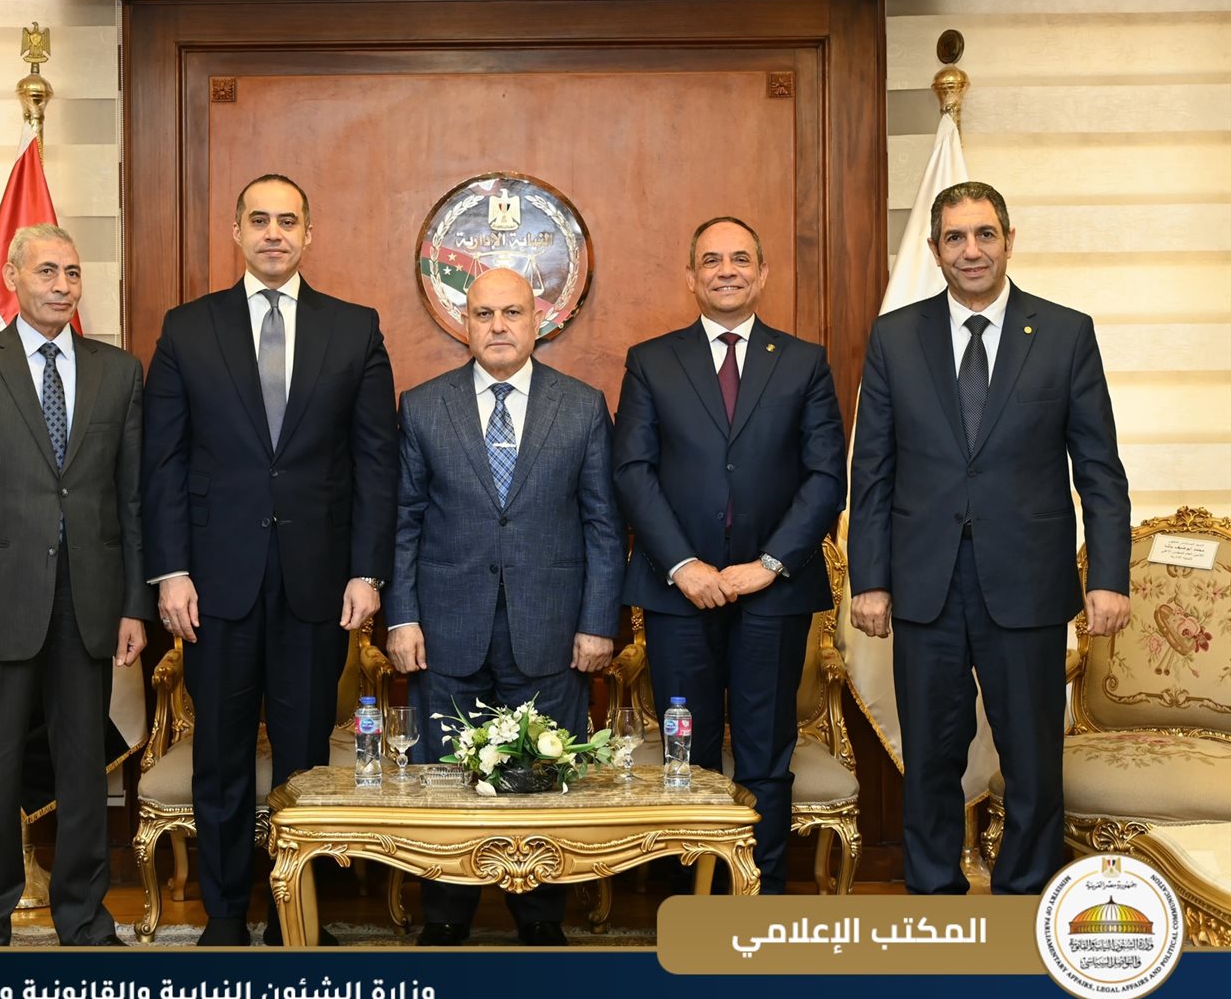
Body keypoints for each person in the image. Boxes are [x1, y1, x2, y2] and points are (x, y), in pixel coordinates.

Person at [848, 181, 1130, 895]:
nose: (970, 250)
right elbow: (872, 469)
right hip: (925, 584)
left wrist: (1108, 576)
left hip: (1028, 582)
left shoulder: (1064, 333)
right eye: (954, 237)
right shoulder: (895, 336)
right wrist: (870, 578)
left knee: (1032, 761)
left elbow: (1099, 469)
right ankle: (935, 902)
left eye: (984, 234)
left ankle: (1026, 900)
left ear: (1008, 240)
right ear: (935, 249)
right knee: (930, 760)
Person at [142, 174, 398, 946]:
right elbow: (163, 462)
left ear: (309, 234)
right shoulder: (188, 328)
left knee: (304, 759)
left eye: (288, 221)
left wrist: (367, 570)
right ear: (237, 231)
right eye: (260, 220)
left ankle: (298, 915)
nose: (274, 233)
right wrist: (170, 570)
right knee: (219, 755)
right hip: (214, 583)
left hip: (318, 582)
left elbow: (375, 460)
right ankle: (225, 914)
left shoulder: (354, 328)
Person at [0, 224, 150, 946]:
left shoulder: (119, 372)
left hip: (90, 602)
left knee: (83, 769)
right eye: (47, 270)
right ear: (13, 277)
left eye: (73, 272)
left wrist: (134, 606)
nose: (62, 284)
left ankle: (84, 920)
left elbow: (130, 500)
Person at [386, 267, 623, 945]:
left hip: (551, 628)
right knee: (443, 780)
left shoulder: (581, 406)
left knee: (545, 777)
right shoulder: (423, 406)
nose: (497, 326)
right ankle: (445, 918)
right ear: (464, 323)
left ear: (536, 320)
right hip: (444, 630)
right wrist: (401, 616)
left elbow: (604, 524)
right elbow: (403, 522)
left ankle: (541, 920)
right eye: (484, 313)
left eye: (512, 312)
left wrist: (597, 622)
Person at [613, 216, 845, 895]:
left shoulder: (803, 361)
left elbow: (826, 477)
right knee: (686, 752)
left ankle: (759, 899)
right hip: (677, 591)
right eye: (711, 260)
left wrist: (768, 564)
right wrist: (683, 565)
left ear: (762, 273)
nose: (726, 270)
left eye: (741, 258)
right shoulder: (651, 360)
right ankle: (694, 899)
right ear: (691, 276)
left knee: (765, 753)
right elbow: (632, 471)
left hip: (774, 591)